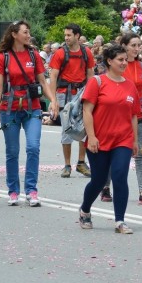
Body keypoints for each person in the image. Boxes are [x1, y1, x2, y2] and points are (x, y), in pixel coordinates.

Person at [0, 20, 57, 207]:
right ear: (14, 34)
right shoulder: (3, 57)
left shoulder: (34, 55)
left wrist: (52, 101)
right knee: (12, 152)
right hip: (9, 109)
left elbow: (43, 82)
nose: (28, 35)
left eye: (29, 32)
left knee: (33, 147)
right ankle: (13, 191)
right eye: (25, 32)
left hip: (32, 107)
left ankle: (31, 190)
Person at [78, 44, 141, 234]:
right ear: (109, 61)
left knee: (120, 176)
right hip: (99, 139)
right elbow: (87, 111)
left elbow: (133, 115)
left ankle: (120, 221)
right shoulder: (97, 82)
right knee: (98, 180)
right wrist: (91, 137)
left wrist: (135, 141)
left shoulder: (130, 86)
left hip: (122, 139)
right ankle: (85, 209)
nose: (124, 63)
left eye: (125, 59)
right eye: (120, 60)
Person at [99, 33, 142, 205]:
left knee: (139, 153)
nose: (137, 48)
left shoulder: (141, 65)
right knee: (112, 152)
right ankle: (105, 187)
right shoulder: (116, 66)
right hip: (116, 115)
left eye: (139, 45)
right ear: (123, 46)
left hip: (137, 114)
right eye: (133, 45)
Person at [49, 23, 95, 178]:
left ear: (77, 36)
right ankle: (67, 164)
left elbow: (90, 75)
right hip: (64, 93)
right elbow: (53, 76)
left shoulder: (86, 52)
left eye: (69, 35)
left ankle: (81, 162)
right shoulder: (60, 53)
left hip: (82, 93)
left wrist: (91, 95)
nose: (66, 38)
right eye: (65, 35)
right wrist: (53, 99)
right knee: (67, 129)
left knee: (84, 127)